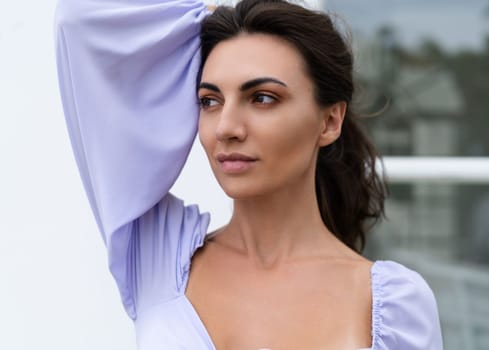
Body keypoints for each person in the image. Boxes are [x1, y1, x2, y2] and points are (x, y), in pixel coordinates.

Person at [54, 0, 443, 349]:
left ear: (329, 120)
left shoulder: (391, 307)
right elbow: (78, 17)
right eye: (210, 100)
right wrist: (210, 18)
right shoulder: (158, 255)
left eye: (262, 98)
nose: (226, 127)